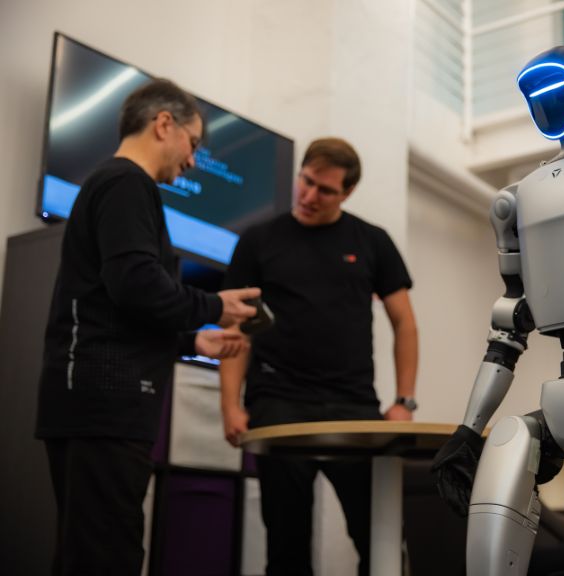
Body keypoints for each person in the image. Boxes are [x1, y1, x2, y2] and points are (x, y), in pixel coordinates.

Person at [34, 78, 261, 576]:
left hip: (93, 404)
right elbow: (137, 285)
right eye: (193, 143)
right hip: (104, 406)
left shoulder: (114, 183)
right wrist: (214, 306)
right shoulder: (126, 183)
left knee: (85, 555)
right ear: (163, 124)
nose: (193, 161)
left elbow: (120, 305)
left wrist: (192, 339)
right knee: (106, 558)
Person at [219, 137, 419, 576]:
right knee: (286, 546)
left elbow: (404, 322)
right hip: (278, 403)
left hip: (353, 406)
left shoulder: (372, 241)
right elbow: (236, 328)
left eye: (325, 190)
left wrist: (404, 401)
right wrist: (230, 404)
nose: (309, 196)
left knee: (381, 539)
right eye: (306, 181)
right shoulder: (258, 241)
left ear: (347, 192)